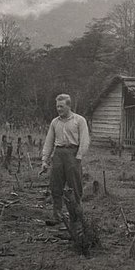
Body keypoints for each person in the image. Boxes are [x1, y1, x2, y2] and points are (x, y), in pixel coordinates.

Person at [41, 94, 90, 224]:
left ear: (69, 106)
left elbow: (85, 140)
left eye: (61, 106)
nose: (59, 109)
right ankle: (57, 216)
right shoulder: (55, 122)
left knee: (75, 186)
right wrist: (45, 160)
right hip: (58, 154)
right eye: (57, 106)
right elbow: (49, 142)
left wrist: (79, 156)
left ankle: (77, 217)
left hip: (73, 154)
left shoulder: (79, 120)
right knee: (55, 186)